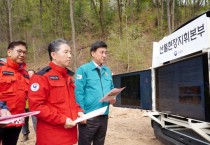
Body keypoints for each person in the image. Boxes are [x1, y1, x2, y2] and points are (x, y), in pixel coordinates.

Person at [28, 38, 84, 145]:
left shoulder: (67, 77)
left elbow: (71, 102)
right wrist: (62, 120)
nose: (70, 56)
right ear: (53, 55)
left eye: (70, 52)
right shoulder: (41, 77)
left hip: (69, 135)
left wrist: (79, 111)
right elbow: (37, 106)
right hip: (52, 137)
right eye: (66, 52)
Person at [75, 41, 116, 145]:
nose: (104, 55)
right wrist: (81, 113)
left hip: (104, 115)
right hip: (88, 116)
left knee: (100, 142)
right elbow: (78, 93)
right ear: (93, 53)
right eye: (101, 52)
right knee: (85, 142)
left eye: (106, 53)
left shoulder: (107, 70)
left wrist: (112, 98)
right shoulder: (83, 69)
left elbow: (111, 88)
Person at [0, 41, 29, 145]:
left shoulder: (25, 74)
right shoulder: (1, 68)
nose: (22, 55)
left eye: (25, 52)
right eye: (19, 51)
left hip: (16, 122)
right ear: (9, 52)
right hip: (1, 120)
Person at [21, 69, 36, 142]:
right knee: (24, 121)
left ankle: (38, 135)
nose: (30, 75)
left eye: (32, 73)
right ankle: (25, 135)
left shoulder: (36, 83)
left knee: (35, 121)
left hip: (33, 106)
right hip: (24, 105)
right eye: (29, 73)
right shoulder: (23, 82)